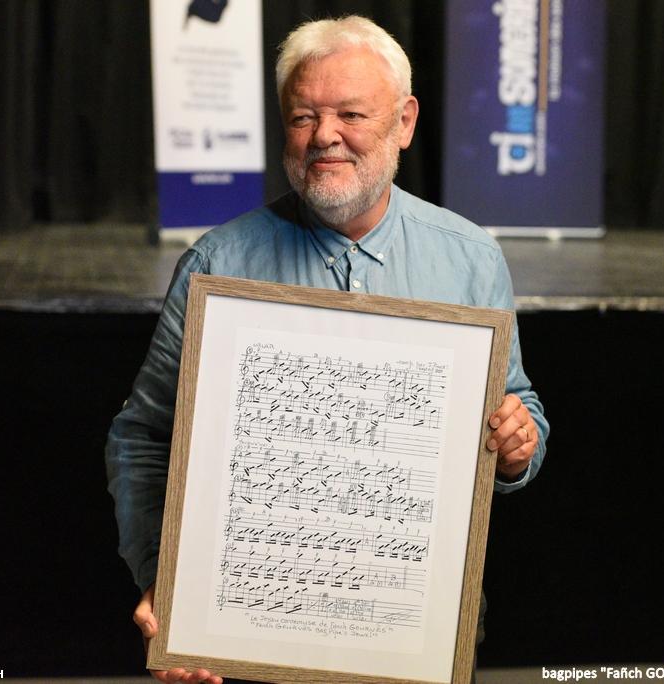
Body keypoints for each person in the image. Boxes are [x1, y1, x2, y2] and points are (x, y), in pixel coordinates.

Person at [106, 15, 549, 684]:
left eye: (351, 114)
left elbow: (520, 410)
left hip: (413, 636)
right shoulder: (218, 263)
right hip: (250, 638)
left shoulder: (471, 260)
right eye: (303, 116)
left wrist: (518, 444)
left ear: (404, 122)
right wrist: (162, 578)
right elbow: (143, 437)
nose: (324, 136)